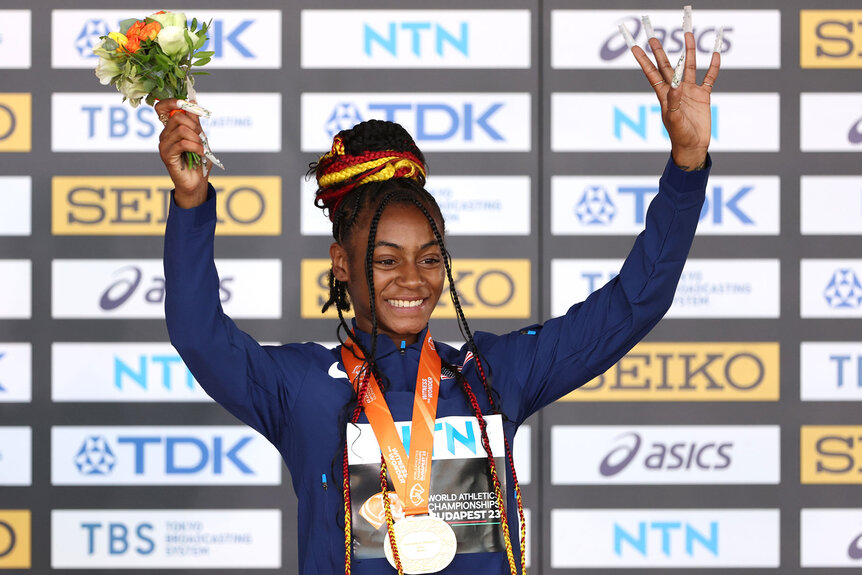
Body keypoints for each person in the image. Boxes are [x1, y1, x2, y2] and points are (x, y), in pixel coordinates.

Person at [156, 17, 720, 575]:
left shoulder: (490, 375)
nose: (413, 279)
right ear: (341, 266)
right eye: (385, 259)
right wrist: (191, 203)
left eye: (430, 258)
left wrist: (686, 169)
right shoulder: (299, 387)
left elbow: (635, 302)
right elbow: (197, 332)